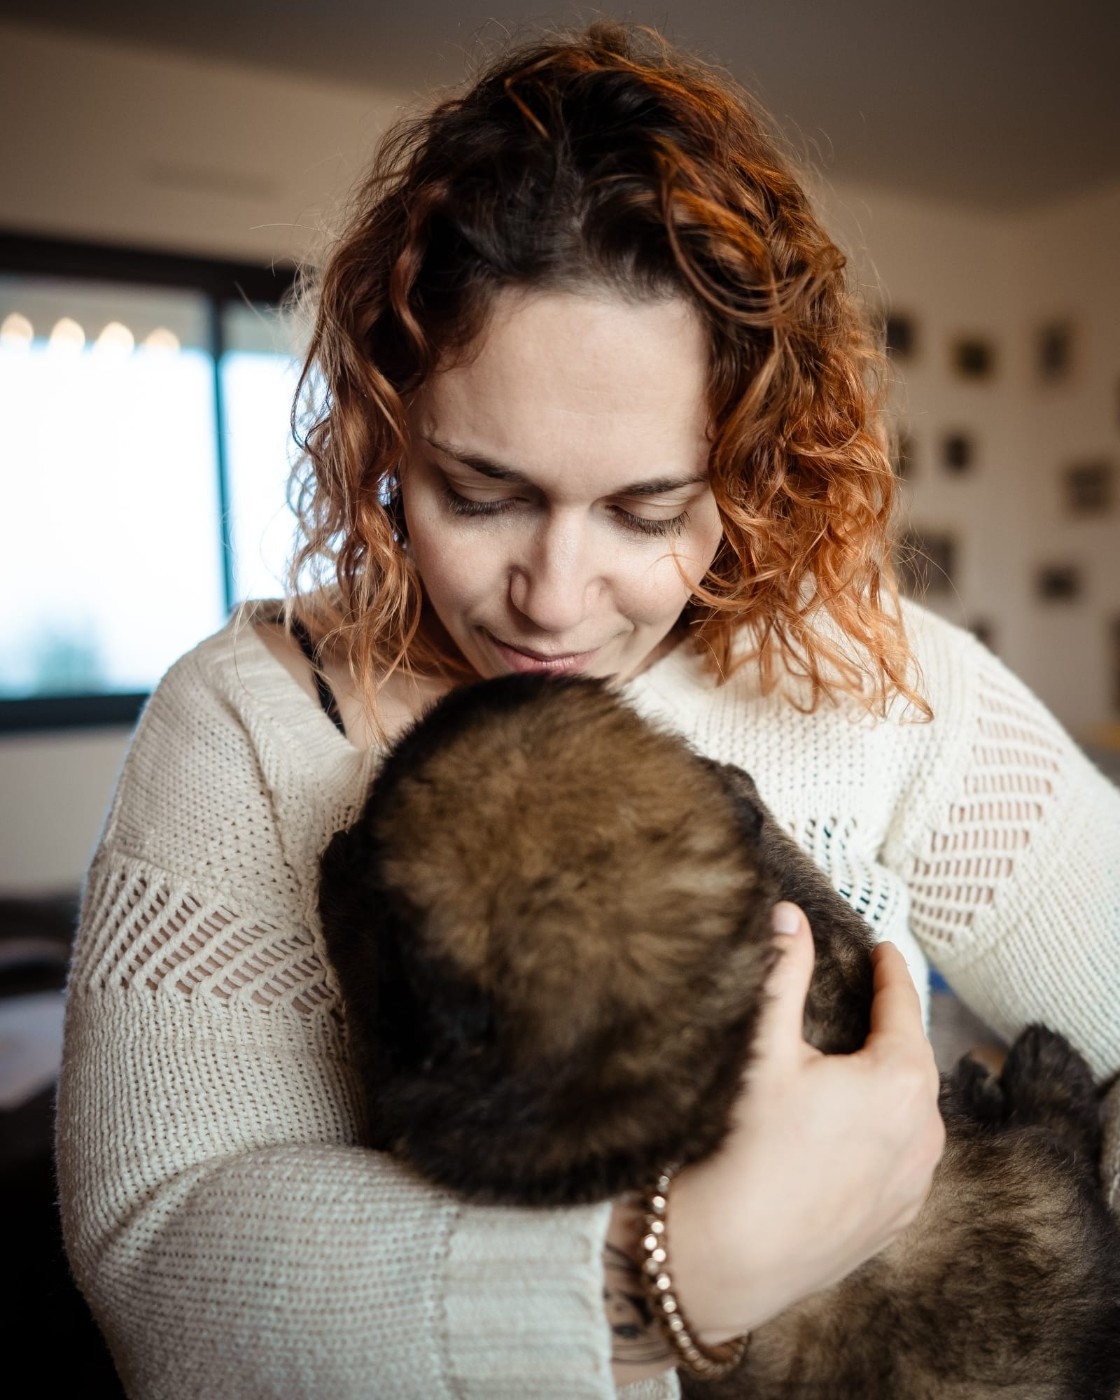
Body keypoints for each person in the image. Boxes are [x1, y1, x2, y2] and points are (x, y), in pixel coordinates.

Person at [56, 21, 1119, 1399]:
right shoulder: (248, 729)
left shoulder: (868, 673)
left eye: (645, 510)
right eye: (481, 494)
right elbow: (165, 1270)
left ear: (745, 466)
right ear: (389, 433)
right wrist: (686, 1269)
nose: (554, 600)